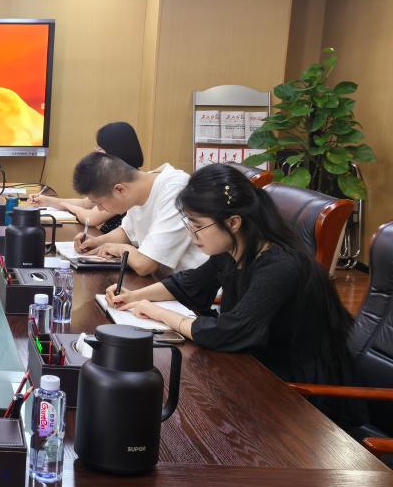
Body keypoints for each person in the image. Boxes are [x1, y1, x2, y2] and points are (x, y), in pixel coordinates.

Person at [105, 164, 357, 416]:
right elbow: (190, 283)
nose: (192, 235)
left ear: (233, 222)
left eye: (198, 226)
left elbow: (229, 331)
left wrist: (158, 313)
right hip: (254, 366)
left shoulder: (280, 266)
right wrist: (134, 296)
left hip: (298, 392)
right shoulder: (236, 248)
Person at [71, 151, 205, 276]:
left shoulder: (175, 190)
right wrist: (97, 241)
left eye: (100, 203)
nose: (100, 209)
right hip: (165, 282)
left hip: (194, 286)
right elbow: (127, 233)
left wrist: (120, 249)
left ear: (119, 190)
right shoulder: (138, 186)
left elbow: (145, 265)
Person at [29, 121, 144, 231]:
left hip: (114, 241)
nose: (95, 152)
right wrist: (47, 201)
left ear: (115, 151)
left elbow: (91, 218)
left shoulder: (124, 181)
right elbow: (85, 203)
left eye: (100, 148)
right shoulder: (119, 175)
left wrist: (69, 207)